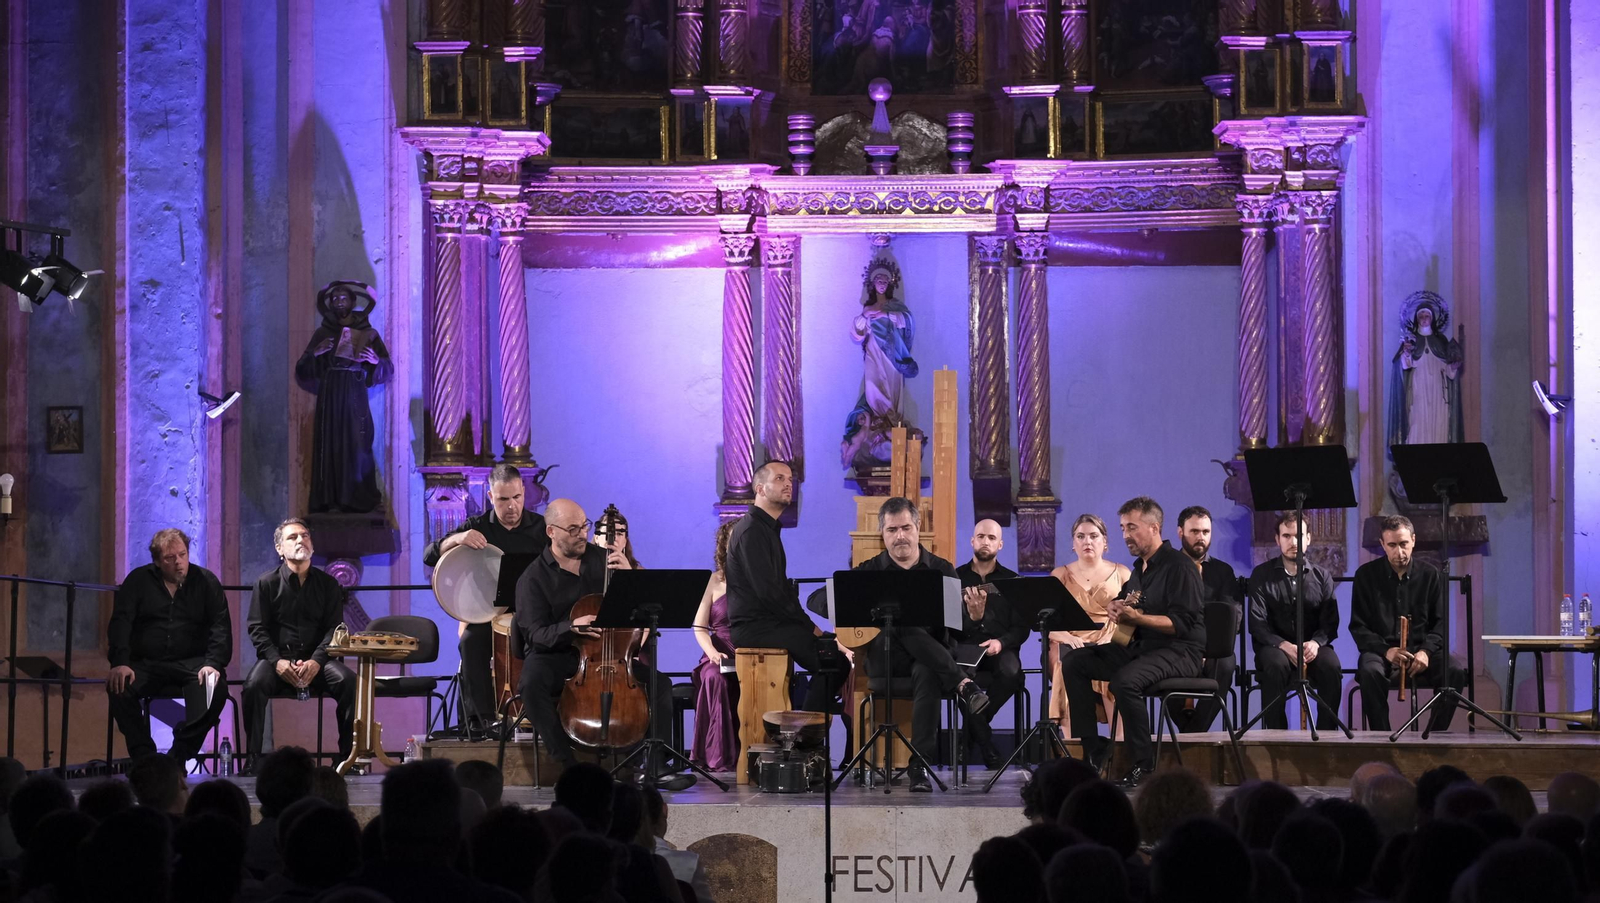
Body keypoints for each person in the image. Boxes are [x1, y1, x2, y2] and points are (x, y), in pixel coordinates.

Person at [515, 499, 692, 790]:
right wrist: (571, 627)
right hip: (559, 652)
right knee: (530, 684)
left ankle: (655, 764)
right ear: (551, 532)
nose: (582, 534)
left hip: (607, 652)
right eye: (573, 529)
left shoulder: (604, 559)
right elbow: (535, 634)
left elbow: (639, 610)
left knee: (660, 684)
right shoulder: (533, 578)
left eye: (584, 526)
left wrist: (629, 576)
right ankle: (567, 765)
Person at [1059, 497, 1205, 789]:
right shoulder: (1140, 569)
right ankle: (1093, 749)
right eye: (1123, 527)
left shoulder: (1180, 567)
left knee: (1125, 682)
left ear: (1154, 528)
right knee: (1075, 661)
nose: (1125, 534)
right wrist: (1116, 607)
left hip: (1179, 650)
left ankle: (1144, 764)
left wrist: (1136, 618)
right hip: (1142, 648)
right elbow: (1126, 603)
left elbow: (1180, 623)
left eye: (1132, 528)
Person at [851, 496, 990, 791]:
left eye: (905, 528)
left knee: (925, 669)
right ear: (883, 534)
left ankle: (919, 766)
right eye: (891, 530)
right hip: (885, 663)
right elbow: (823, 601)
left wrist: (975, 617)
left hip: (930, 663)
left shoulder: (941, 569)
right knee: (898, 619)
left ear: (917, 528)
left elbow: (960, 630)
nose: (900, 536)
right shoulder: (870, 571)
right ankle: (963, 684)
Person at [424, 463, 549, 741]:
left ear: (523, 492)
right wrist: (457, 539)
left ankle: (540, 716)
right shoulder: (478, 527)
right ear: (491, 497)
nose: (512, 506)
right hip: (488, 614)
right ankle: (480, 721)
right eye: (503, 499)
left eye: (517, 497)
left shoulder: (542, 529)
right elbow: (429, 555)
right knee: (469, 641)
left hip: (530, 614)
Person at [727, 461, 852, 713]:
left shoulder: (766, 529)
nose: (788, 484)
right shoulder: (751, 531)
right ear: (760, 489)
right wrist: (813, 629)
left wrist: (813, 630)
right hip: (756, 627)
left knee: (833, 657)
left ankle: (804, 734)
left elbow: (779, 590)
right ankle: (803, 739)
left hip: (772, 624)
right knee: (832, 661)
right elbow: (770, 594)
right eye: (780, 479)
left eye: (790, 479)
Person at [107, 528, 231, 763]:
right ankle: (145, 758)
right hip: (147, 664)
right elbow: (120, 624)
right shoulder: (138, 581)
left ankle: (178, 756)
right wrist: (120, 662)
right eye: (170, 558)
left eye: (182, 555)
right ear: (156, 561)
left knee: (216, 690)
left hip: (192, 664)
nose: (179, 563)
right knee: (119, 686)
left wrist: (213, 663)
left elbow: (220, 626)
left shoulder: (205, 581)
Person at [243, 518, 356, 770]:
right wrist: (277, 661)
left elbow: (334, 629)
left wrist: (317, 661)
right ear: (279, 549)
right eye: (292, 537)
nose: (300, 540)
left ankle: (348, 757)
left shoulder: (328, 585)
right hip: (277, 660)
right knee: (253, 686)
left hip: (318, 660)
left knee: (349, 682)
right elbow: (257, 628)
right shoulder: (266, 583)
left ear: (312, 545)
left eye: (304, 535)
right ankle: (252, 759)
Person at [1350, 515, 1465, 732]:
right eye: (1392, 545)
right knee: (1369, 672)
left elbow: (1440, 623)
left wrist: (1426, 652)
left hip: (1421, 648)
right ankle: (1382, 737)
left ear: (1413, 540)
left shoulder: (1431, 575)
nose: (1399, 552)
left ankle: (1433, 736)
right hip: (1382, 650)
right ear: (1383, 545)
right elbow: (1358, 626)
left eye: (1403, 544)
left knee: (1455, 672)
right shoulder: (1366, 575)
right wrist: (1387, 651)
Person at [295, 280, 394, 513]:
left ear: (353, 302)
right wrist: (316, 353)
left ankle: (361, 498)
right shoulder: (323, 332)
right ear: (330, 304)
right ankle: (331, 500)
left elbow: (388, 368)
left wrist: (374, 361)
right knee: (330, 443)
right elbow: (302, 368)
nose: (339, 302)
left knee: (359, 443)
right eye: (335, 299)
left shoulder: (368, 332)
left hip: (355, 392)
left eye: (344, 298)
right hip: (330, 393)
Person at [1248, 512, 1343, 730]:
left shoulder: (1322, 576)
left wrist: (1316, 643)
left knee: (1332, 665)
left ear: (1308, 538)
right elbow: (1257, 623)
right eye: (1287, 536)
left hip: (1312, 645)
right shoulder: (1261, 574)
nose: (1294, 542)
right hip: (1275, 647)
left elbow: (1330, 623)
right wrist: (1283, 645)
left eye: (1299, 536)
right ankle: (1276, 736)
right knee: (1275, 664)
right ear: (1277, 539)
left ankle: (1327, 737)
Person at [1047, 514, 1132, 734]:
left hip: (1109, 637)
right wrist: (1067, 637)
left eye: (1094, 536)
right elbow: (1049, 621)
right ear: (1073, 543)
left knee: (1114, 660)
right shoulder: (1059, 575)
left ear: (1105, 542)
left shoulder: (1122, 573)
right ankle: (1073, 747)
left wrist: (1112, 637)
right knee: (1063, 661)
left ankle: (1119, 744)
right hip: (1071, 639)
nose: (1087, 541)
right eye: (1081, 536)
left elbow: (1131, 618)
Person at [954, 519, 1026, 769]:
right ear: (972, 540)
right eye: (981, 536)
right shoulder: (954, 578)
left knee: (1012, 673)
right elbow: (948, 626)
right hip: (965, 647)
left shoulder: (1012, 580)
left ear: (1000, 544)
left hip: (1000, 648)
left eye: (992, 538)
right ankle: (987, 746)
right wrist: (972, 622)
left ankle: (970, 737)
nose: (985, 541)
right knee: (960, 679)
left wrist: (1000, 642)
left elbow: (1021, 628)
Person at [1170, 506, 1238, 732]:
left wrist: (1205, 649)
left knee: (1226, 664)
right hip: (1174, 644)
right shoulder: (1166, 568)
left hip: (1212, 646)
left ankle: (1194, 731)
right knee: (1160, 662)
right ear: (1181, 532)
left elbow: (1231, 617)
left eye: (1206, 532)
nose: (1201, 537)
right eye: (1195, 531)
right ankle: (1191, 733)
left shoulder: (1223, 571)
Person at [689, 521, 739, 772]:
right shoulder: (713, 581)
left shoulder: (758, 579)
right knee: (713, 678)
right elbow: (699, 626)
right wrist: (711, 653)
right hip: (718, 651)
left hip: (749, 652)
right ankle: (717, 756)